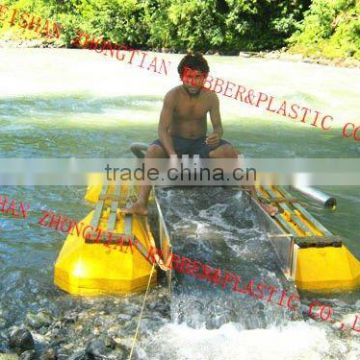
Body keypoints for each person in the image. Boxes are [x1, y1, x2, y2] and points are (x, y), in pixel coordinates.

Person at [124, 52, 277, 216]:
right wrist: (172, 155)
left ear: (205, 77)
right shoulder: (172, 96)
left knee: (230, 151)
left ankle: (256, 201)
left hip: (200, 143)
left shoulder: (210, 97)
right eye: (188, 76)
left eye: (198, 77)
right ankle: (141, 203)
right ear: (181, 77)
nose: (193, 82)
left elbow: (218, 127)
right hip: (175, 142)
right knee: (153, 151)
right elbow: (162, 129)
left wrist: (217, 134)